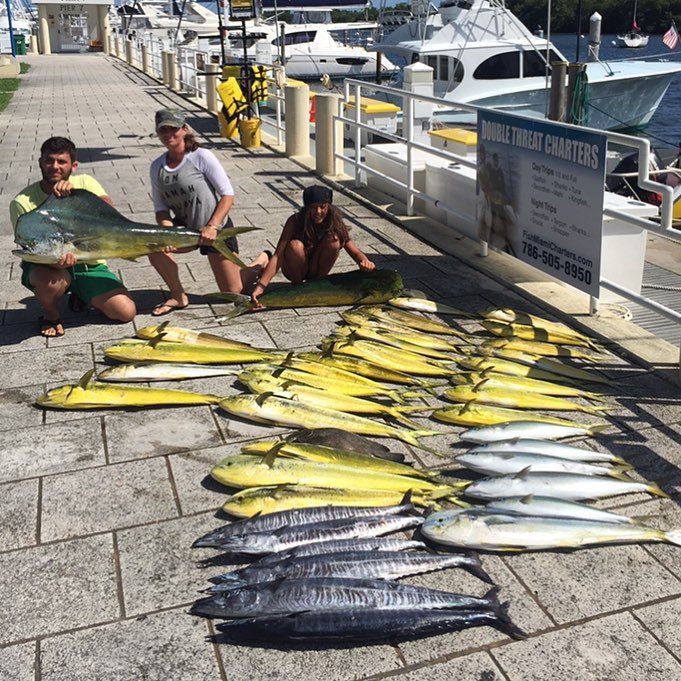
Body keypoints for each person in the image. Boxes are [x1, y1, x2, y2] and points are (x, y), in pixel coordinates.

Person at [9, 136, 137, 338]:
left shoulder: (85, 182)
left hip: (89, 265)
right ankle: (51, 314)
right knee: (49, 282)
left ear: (73, 165)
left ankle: (80, 292)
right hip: (47, 267)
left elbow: (112, 217)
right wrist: (56, 264)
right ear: (40, 162)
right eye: (49, 160)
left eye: (61, 161)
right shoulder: (22, 202)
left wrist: (78, 196)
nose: (54, 166)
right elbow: (28, 248)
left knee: (125, 313)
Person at [148, 108, 269, 316]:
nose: (168, 135)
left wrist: (212, 226)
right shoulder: (157, 166)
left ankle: (261, 261)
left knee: (233, 291)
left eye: (173, 129)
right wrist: (167, 230)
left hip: (215, 230)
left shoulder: (201, 156)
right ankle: (178, 295)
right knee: (153, 247)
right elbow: (161, 209)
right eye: (163, 131)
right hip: (186, 230)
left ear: (184, 130)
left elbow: (227, 194)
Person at [251, 185, 375, 306]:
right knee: (295, 245)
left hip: (317, 269)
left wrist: (365, 262)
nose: (318, 212)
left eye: (322, 207)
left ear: (329, 207)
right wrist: (261, 287)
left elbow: (354, 251)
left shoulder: (334, 222)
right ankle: (297, 287)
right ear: (306, 208)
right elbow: (278, 256)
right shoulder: (294, 221)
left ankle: (317, 284)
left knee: (334, 239)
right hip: (295, 269)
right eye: (313, 207)